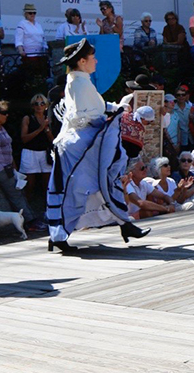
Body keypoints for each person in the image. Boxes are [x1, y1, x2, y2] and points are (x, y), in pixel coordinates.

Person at [46, 39, 151, 253]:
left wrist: (116, 108)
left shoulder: (80, 80)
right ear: (83, 61)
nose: (96, 60)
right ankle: (58, 234)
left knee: (100, 185)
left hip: (85, 145)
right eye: (92, 57)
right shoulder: (78, 82)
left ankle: (124, 223)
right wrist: (112, 113)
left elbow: (96, 107)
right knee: (80, 189)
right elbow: (85, 115)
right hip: (81, 148)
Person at [0, 101, 43, 230]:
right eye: (3, 113)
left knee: (18, 192)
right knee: (15, 194)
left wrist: (14, 167)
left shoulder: (2, 128)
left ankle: (28, 219)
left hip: (8, 167)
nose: (6, 115)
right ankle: (30, 221)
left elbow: (9, 148)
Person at [20, 94, 54, 212]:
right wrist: (40, 129)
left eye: (42, 103)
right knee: (30, 185)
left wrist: (47, 128)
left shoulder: (49, 118)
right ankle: (26, 212)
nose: (39, 106)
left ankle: (49, 211)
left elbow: (52, 140)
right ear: (32, 106)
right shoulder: (28, 118)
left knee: (48, 185)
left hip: (45, 153)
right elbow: (24, 138)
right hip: (30, 153)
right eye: (36, 104)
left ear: (46, 106)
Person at [15, 4, 48, 75]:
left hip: (40, 54)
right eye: (30, 13)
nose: (32, 14)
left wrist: (45, 49)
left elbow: (43, 38)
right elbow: (19, 40)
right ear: (25, 14)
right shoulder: (22, 24)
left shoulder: (38, 24)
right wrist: (21, 51)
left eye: (34, 13)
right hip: (29, 54)